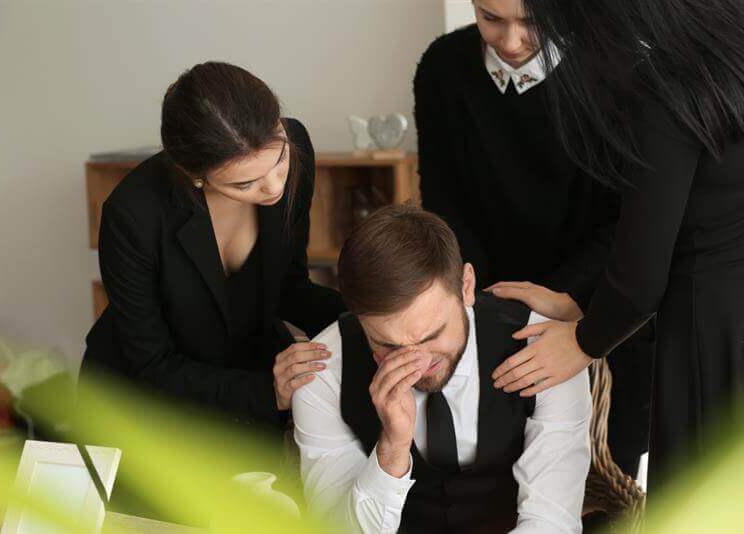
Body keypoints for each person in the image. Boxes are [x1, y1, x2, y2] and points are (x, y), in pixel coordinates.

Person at [490, 0, 744, 492]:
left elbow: (642, 275)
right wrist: (581, 306)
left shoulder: (672, 83)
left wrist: (584, 342)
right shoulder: (728, 47)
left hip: (712, 329)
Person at [414, 0, 652, 476]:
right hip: (488, 301)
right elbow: (443, 202)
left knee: (602, 478)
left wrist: (556, 300)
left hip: (597, 302)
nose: (511, 40)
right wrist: (488, 303)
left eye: (532, 22)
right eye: (491, 18)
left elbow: (632, 217)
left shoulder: (619, 69)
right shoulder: (442, 67)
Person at [293, 205, 591, 534]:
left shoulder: (544, 348)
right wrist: (392, 449)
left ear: (466, 285)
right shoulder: (323, 369)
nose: (417, 361)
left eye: (432, 335)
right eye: (387, 346)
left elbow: (551, 522)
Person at [80, 61, 344, 428]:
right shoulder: (133, 215)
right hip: (146, 406)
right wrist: (269, 391)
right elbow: (152, 363)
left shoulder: (295, 144)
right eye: (244, 184)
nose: (274, 187)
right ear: (195, 176)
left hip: (247, 381)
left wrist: (375, 316)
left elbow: (289, 288)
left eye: (279, 160)